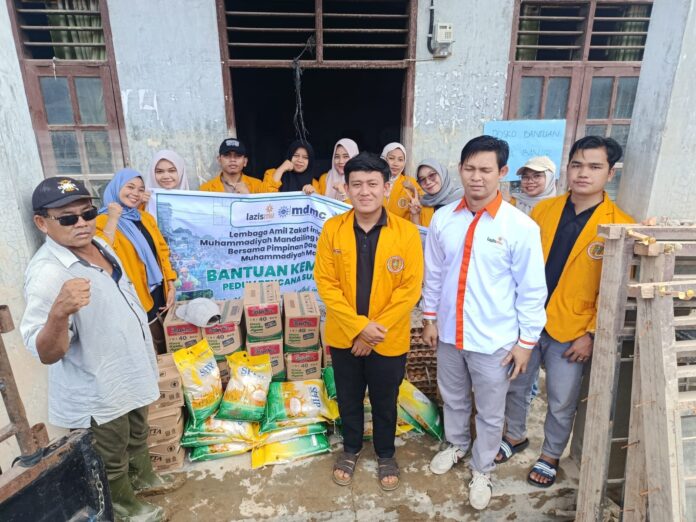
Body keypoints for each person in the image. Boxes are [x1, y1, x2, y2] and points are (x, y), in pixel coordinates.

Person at [21, 177, 182, 522]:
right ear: (42, 223)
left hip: (129, 367)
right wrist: (59, 312)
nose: (81, 223)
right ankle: (123, 506)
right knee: (110, 451)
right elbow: (45, 352)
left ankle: (143, 479)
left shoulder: (98, 244)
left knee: (137, 432)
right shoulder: (47, 273)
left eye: (87, 213)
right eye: (67, 218)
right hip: (99, 382)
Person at [499, 136, 634, 488]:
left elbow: (615, 289)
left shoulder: (619, 225)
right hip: (528, 321)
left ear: (610, 173)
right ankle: (514, 435)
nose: (583, 173)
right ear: (568, 168)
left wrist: (591, 332)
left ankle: (550, 454)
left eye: (594, 167)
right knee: (516, 385)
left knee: (561, 398)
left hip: (573, 330)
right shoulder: (543, 211)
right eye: (577, 165)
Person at [422, 136, 547, 510]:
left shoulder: (520, 227)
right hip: (450, 333)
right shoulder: (444, 218)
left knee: (492, 412)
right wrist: (429, 318)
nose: (477, 177)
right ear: (460, 169)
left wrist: (526, 342)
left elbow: (531, 290)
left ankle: (483, 468)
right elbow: (434, 274)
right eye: (470, 168)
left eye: (486, 170)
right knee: (453, 398)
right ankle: (457, 444)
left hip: (495, 341)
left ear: (502, 172)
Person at [314, 152, 423, 491]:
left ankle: (386, 453)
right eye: (357, 184)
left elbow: (410, 289)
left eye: (373, 184)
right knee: (348, 397)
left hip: (387, 338)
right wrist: (358, 328)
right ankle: (350, 448)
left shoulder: (406, 232)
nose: (365, 191)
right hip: (345, 336)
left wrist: (372, 332)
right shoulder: (333, 229)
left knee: (385, 399)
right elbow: (326, 283)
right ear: (346, 188)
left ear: (386, 187)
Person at [96, 168, 177, 354]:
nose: (135, 193)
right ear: (116, 188)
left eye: (140, 189)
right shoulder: (101, 221)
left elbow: (162, 252)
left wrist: (171, 284)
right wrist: (113, 218)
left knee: (164, 343)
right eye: (130, 187)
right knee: (147, 347)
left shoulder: (145, 218)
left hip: (158, 292)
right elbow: (103, 254)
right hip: (135, 296)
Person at [407, 158, 464, 227]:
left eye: (432, 175)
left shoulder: (464, 198)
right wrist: (415, 215)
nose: (428, 182)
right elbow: (420, 233)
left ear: (441, 173)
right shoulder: (424, 204)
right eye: (422, 179)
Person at [199, 138, 270, 193]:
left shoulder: (257, 185)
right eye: (227, 155)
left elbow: (265, 207)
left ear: (245, 161)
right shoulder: (206, 189)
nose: (232, 159)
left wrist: (248, 197)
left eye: (238, 155)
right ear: (219, 160)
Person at [380, 142, 423, 220]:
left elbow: (426, 202)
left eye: (400, 160)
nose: (396, 164)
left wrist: (413, 189)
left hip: (401, 227)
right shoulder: (375, 181)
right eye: (391, 158)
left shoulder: (410, 182)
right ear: (384, 158)